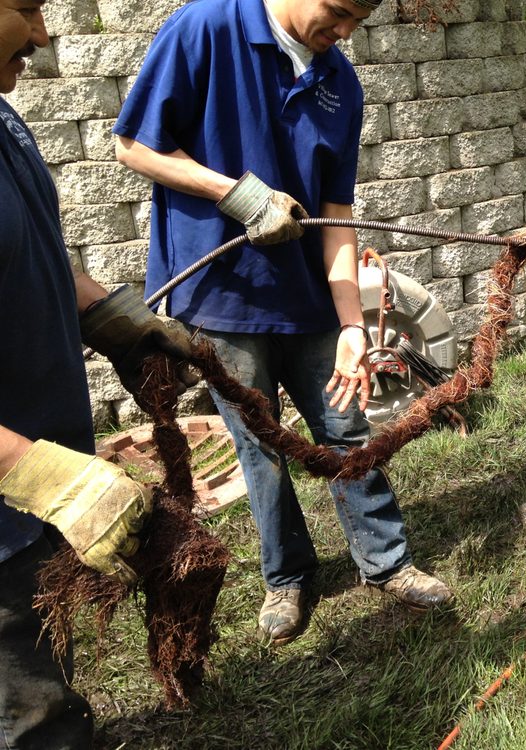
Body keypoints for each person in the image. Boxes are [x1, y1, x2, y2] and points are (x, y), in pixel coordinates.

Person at [113, 0, 453, 647]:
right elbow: (134, 145)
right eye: (339, 11)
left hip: (310, 301)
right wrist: (239, 196)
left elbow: (337, 216)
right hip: (224, 301)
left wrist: (353, 324)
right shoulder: (206, 28)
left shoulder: (338, 83)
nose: (345, 31)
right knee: (259, 444)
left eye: (360, 18)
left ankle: (386, 563)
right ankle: (288, 576)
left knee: (346, 430)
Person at [0, 1, 195, 745]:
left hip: (29, 510)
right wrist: (46, 477)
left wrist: (111, 315)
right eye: (22, 7)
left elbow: (29, 253)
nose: (44, 35)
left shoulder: (2, 116)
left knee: (46, 683)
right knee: (32, 720)